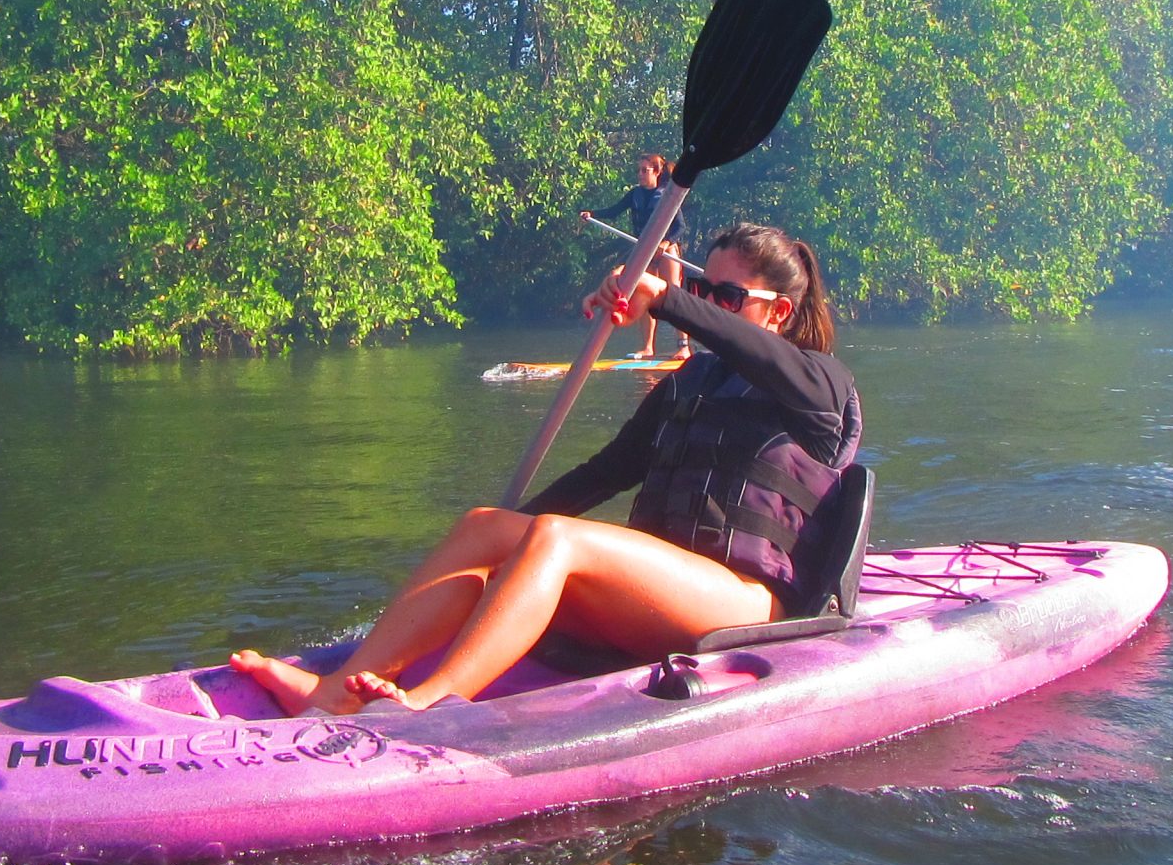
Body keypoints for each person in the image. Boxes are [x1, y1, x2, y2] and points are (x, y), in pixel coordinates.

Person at [231, 223, 860, 716]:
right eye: (702, 289)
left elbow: (754, 353)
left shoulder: (819, 386)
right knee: (491, 525)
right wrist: (506, 540)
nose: (709, 305)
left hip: (745, 607)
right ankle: (339, 689)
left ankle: (431, 703)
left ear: (777, 313)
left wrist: (665, 299)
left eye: (726, 298)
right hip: (655, 598)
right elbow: (605, 473)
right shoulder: (688, 386)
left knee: (558, 539)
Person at [582, 153, 687, 358]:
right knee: (644, 296)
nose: (639, 174)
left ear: (656, 172)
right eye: (638, 170)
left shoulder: (667, 195)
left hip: (666, 251)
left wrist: (666, 243)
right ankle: (648, 348)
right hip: (644, 250)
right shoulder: (634, 194)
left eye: (644, 170)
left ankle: (684, 347)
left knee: (674, 296)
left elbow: (680, 227)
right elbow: (613, 212)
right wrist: (592, 214)